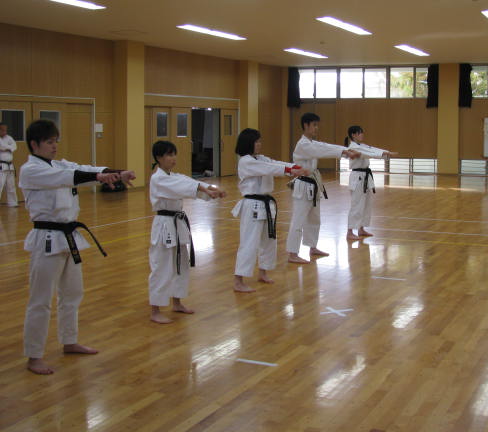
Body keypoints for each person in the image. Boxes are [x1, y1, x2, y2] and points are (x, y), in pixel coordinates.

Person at [19, 119, 136, 375]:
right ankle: (34, 356)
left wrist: (118, 173)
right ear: (34, 144)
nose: (54, 146)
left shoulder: (60, 164)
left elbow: (84, 169)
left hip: (68, 236)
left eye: (55, 141)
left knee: (72, 293)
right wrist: (97, 176)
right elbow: (68, 177)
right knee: (41, 300)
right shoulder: (31, 170)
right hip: (46, 237)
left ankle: (69, 341)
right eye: (49, 142)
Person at [148, 140, 225, 323]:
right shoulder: (158, 178)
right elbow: (182, 186)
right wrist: (205, 189)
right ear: (159, 158)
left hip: (178, 222)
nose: (173, 158)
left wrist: (212, 190)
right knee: (162, 266)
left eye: (174, 154)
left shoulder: (174, 176)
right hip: (164, 224)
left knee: (181, 263)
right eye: (169, 155)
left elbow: (189, 182)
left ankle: (177, 302)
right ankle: (155, 310)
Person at [232, 128, 310, 292]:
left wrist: (296, 167)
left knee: (269, 240)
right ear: (248, 143)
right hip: (252, 205)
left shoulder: (261, 158)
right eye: (256, 141)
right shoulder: (245, 161)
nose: (259, 144)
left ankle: (263, 272)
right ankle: (238, 280)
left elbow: (275, 164)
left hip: (266, 204)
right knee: (249, 243)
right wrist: (291, 170)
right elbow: (268, 168)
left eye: (260, 141)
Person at [286, 113, 360, 264]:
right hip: (303, 185)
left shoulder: (311, 143)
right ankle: (293, 253)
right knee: (298, 220)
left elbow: (325, 146)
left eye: (317, 125)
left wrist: (345, 150)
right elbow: (321, 151)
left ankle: (312, 247)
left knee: (314, 218)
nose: (316, 128)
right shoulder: (303, 145)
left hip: (313, 184)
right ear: (306, 125)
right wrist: (344, 152)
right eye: (314, 125)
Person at [344, 125, 398, 240]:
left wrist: (386, 153)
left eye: (362, 132)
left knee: (366, 204)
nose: (362, 135)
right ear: (353, 135)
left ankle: (361, 228)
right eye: (360, 133)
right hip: (357, 177)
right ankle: (349, 231)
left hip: (365, 176)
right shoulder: (353, 147)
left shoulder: (362, 146)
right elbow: (368, 153)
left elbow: (372, 149)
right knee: (356, 205)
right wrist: (385, 154)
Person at [0, 122, 19, 207]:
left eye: (5, 130)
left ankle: (13, 203)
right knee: (0, 184)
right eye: (2, 130)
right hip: (1, 165)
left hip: (10, 165)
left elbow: (14, 147)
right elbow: (2, 146)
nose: (5, 132)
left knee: (11, 185)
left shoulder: (9, 138)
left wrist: (6, 148)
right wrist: (8, 147)